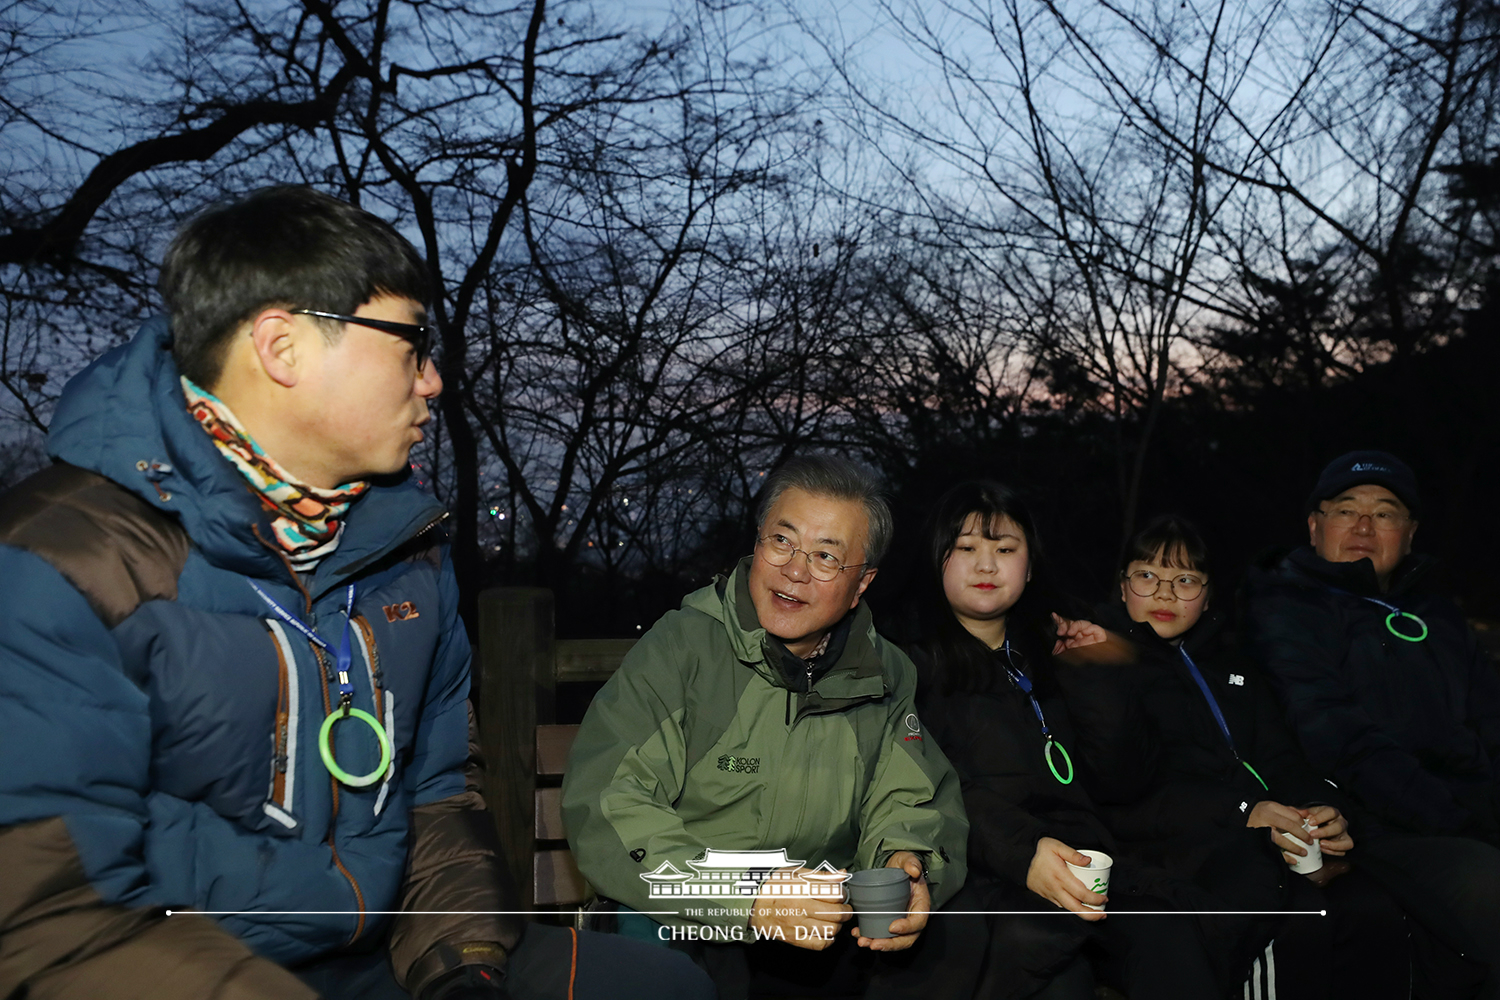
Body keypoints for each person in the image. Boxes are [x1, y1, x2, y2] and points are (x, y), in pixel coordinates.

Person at [0, 186, 712, 1000]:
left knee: (668, 985)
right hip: (175, 970)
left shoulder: (408, 551)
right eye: (411, 343)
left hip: (387, 959)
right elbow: (48, 927)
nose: (435, 380)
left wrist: (463, 969)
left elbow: (437, 795)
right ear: (283, 347)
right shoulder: (58, 560)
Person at [560, 454, 976, 1000]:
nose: (795, 570)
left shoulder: (884, 672)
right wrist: (748, 898)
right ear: (758, 544)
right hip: (685, 914)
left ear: (861, 584)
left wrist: (910, 863)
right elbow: (610, 805)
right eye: (782, 541)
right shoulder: (683, 649)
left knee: (957, 945)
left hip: (819, 923)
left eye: (827, 556)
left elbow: (908, 799)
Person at [1065, 514, 1409, 1000]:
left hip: (1268, 839)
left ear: (1207, 596)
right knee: (1291, 923)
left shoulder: (1235, 667)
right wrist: (1245, 811)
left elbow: (1281, 757)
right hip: (1177, 849)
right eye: (1147, 576)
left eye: (1185, 580)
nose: (1165, 594)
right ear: (1122, 587)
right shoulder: (1103, 662)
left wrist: (1323, 807)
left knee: (1372, 911)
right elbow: (1125, 791)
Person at [908, 480, 1224, 1000]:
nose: (986, 566)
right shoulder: (909, 666)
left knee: (1171, 934)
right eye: (966, 548)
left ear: (1029, 568)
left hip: (1089, 866)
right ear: (936, 559)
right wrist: (1025, 852)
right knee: (1056, 972)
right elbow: (934, 789)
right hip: (989, 871)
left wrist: (1095, 675)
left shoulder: (1052, 652)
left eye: (1004, 550)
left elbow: (1122, 781)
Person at [1245, 449, 1500, 996]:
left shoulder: (1437, 614)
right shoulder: (1286, 608)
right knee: (1487, 885)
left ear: (1408, 534)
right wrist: (1463, 817)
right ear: (1315, 527)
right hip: (1372, 827)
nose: (1364, 525)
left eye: (1385, 513)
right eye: (1346, 509)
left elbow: (1490, 715)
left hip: (1466, 810)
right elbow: (1334, 734)